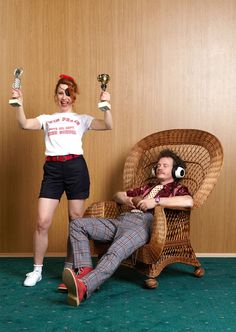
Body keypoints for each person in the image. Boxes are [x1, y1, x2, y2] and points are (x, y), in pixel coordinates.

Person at [11, 74, 113, 287]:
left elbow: (107, 125)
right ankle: (36, 270)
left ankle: (69, 267)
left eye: (68, 93)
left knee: (75, 221)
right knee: (42, 221)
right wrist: (18, 103)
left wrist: (106, 105)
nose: (64, 97)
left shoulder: (82, 119)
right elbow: (24, 124)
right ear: (55, 95)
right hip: (53, 169)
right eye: (60, 92)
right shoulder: (47, 119)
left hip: (76, 168)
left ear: (74, 96)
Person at [62, 149, 193, 307]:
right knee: (77, 224)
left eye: (165, 165)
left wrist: (156, 201)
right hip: (122, 220)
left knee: (116, 250)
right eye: (158, 165)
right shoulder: (147, 188)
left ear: (176, 171)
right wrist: (128, 198)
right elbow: (117, 195)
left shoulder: (177, 189)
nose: (160, 167)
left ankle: (84, 286)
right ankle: (84, 272)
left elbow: (188, 201)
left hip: (144, 224)